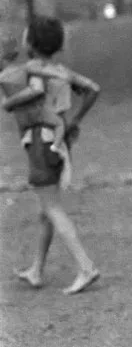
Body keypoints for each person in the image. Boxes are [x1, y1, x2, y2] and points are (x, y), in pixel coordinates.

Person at [9, 15, 101, 295]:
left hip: (41, 141)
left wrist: (10, 103)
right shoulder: (60, 70)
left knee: (51, 208)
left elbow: (34, 92)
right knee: (45, 210)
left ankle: (86, 267)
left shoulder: (34, 71)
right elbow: (93, 90)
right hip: (59, 142)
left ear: (31, 43)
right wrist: (73, 121)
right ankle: (36, 269)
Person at [0, 30, 68, 155]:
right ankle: (55, 147)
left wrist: (9, 102)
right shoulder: (25, 68)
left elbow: (8, 103)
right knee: (59, 124)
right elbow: (38, 88)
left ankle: (26, 143)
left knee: (25, 136)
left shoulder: (3, 77)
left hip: (22, 119)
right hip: (37, 113)